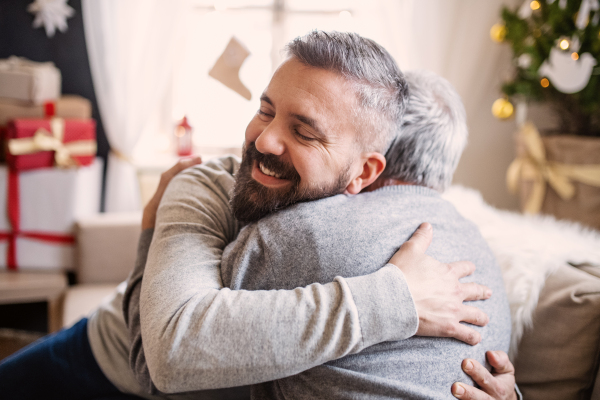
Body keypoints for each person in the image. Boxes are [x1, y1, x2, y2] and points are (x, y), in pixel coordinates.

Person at [0, 31, 517, 400]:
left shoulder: (372, 231)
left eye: (305, 131)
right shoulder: (207, 186)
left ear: (367, 176)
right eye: (266, 110)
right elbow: (166, 357)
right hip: (100, 361)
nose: (265, 139)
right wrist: (394, 297)